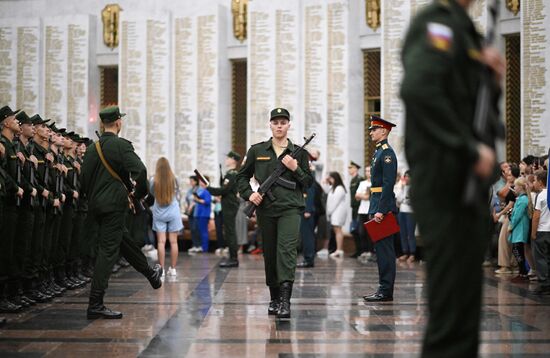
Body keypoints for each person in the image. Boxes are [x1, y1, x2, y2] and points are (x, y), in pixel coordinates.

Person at [400, 0, 504, 355]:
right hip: (446, 183)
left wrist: (492, 79)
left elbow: (471, 106)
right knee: (450, 306)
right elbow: (419, 89)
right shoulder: (437, 24)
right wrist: (468, 149)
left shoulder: (464, 29)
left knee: (464, 307)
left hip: (467, 185)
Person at [81, 106, 162, 319]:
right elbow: (141, 171)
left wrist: (95, 198)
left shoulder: (91, 148)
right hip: (114, 205)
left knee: (123, 241)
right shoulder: (121, 146)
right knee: (108, 252)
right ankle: (95, 303)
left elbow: (84, 179)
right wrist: (137, 195)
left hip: (96, 206)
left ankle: (151, 275)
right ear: (118, 122)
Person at [236, 107, 313, 319]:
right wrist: (249, 195)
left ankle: (286, 302)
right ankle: (274, 298)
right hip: (266, 209)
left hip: (291, 208)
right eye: (276, 122)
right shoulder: (257, 150)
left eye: (283, 122)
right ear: (270, 125)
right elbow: (241, 177)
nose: (279, 126)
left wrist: (295, 167)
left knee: (286, 251)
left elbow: (308, 183)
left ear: (289, 125)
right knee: (269, 253)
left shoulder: (299, 152)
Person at [362, 116, 398, 302]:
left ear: (384, 131)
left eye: (374, 129)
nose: (371, 132)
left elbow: (388, 184)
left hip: (382, 208)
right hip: (376, 204)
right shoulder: (378, 152)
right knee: (381, 250)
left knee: (385, 251)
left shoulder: (387, 154)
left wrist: (381, 210)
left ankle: (385, 290)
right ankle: (383, 288)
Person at [207, 151, 241, 267]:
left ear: (233, 160)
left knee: (230, 232)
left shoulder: (232, 174)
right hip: (229, 205)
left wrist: (208, 188)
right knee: (229, 231)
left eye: (228, 158)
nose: (226, 160)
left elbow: (223, 190)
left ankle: (234, 258)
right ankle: (232, 257)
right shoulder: (231, 174)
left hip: (230, 206)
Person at [150, 157, 183, 277]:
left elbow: (152, 193)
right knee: (174, 242)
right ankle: (173, 269)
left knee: (161, 242)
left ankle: (162, 270)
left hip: (159, 211)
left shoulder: (154, 180)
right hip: (173, 211)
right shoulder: (175, 179)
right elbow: (178, 193)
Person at [508, 177, 533, 282]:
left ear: (521, 187)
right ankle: (522, 272)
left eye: (516, 185)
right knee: (517, 250)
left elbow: (517, 215)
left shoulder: (523, 200)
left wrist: (511, 225)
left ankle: (523, 273)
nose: (515, 187)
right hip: (519, 229)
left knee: (517, 250)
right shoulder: (522, 199)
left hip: (520, 229)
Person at [531, 170, 550, 294]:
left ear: (541, 182)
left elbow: (536, 216)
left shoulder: (541, 195)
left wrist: (533, 233)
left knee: (540, 258)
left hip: (542, 230)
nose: (534, 183)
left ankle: (544, 284)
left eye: (535, 180)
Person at [324, 172, 348, 259]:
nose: (330, 180)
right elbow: (326, 190)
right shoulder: (333, 188)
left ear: (335, 178)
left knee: (338, 230)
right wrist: (326, 182)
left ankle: (339, 250)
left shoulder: (339, 188)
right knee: (336, 230)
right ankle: (338, 249)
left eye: (331, 178)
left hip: (337, 212)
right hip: (334, 212)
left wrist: (329, 212)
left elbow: (335, 202)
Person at [396, 170, 416, 263]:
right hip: (402, 212)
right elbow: (399, 199)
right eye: (405, 176)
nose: (406, 178)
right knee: (402, 233)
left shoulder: (414, 188)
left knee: (410, 234)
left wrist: (405, 200)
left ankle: (412, 254)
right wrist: (401, 187)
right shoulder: (403, 187)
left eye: (408, 176)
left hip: (411, 213)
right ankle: (405, 252)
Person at [348, 161, 364, 258]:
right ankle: (358, 250)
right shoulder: (353, 180)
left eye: (351, 167)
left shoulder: (360, 179)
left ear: (356, 169)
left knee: (359, 230)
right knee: (354, 229)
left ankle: (361, 250)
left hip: (359, 208)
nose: (349, 169)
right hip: (354, 208)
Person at [193, 175, 212, 252]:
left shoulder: (207, 191)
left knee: (204, 231)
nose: (200, 182)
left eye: (201, 181)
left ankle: (205, 248)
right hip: (200, 213)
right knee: (200, 230)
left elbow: (207, 201)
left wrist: (197, 199)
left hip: (204, 214)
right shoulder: (201, 190)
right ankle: (202, 246)